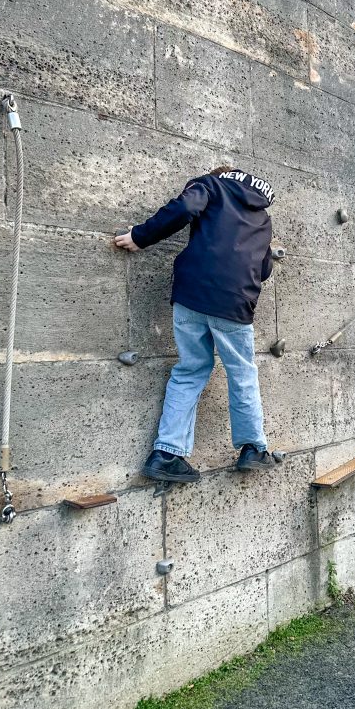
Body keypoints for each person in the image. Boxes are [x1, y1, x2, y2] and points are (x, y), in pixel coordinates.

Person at [114, 166, 278, 483]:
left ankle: (167, 454)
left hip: (190, 294)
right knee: (241, 373)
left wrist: (139, 236)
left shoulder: (211, 186)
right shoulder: (261, 217)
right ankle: (253, 449)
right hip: (233, 302)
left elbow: (186, 206)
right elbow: (265, 267)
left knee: (190, 370)